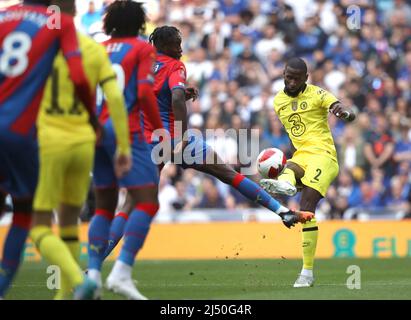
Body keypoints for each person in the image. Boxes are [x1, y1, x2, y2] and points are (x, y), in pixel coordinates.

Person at [101, 26, 315, 295]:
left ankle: (94, 268)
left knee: (130, 204)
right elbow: (176, 97)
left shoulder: (143, 64)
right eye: (177, 42)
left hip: (147, 142)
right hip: (175, 140)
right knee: (228, 174)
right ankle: (281, 211)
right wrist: (178, 131)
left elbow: (147, 97)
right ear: (165, 44)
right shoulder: (175, 65)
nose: (181, 47)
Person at [28, 0, 132, 300]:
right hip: (85, 143)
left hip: (50, 142)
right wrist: (123, 146)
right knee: (70, 224)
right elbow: (113, 97)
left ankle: (79, 280)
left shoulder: (40, 51)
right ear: (75, 12)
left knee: (38, 226)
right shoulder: (93, 50)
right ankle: (64, 296)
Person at [0, 0, 98, 299]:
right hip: (18, 132)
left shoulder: (3, 17)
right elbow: (79, 76)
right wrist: (91, 117)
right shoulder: (59, 23)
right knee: (25, 213)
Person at [86, 0, 164, 300]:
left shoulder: (96, 48)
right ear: (140, 23)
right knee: (146, 201)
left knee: (104, 205)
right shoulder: (142, 49)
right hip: (126, 131)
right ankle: (121, 271)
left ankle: (93, 275)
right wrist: (158, 128)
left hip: (94, 131)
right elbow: (144, 92)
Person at [260, 57, 356, 287]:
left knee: (306, 209)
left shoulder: (317, 94)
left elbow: (336, 106)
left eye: (296, 78)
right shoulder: (278, 101)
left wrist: (343, 113)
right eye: (287, 76)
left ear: (306, 78)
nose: (291, 82)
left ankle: (307, 273)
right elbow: (295, 135)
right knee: (289, 169)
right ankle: (288, 183)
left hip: (324, 155)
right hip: (302, 155)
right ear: (283, 74)